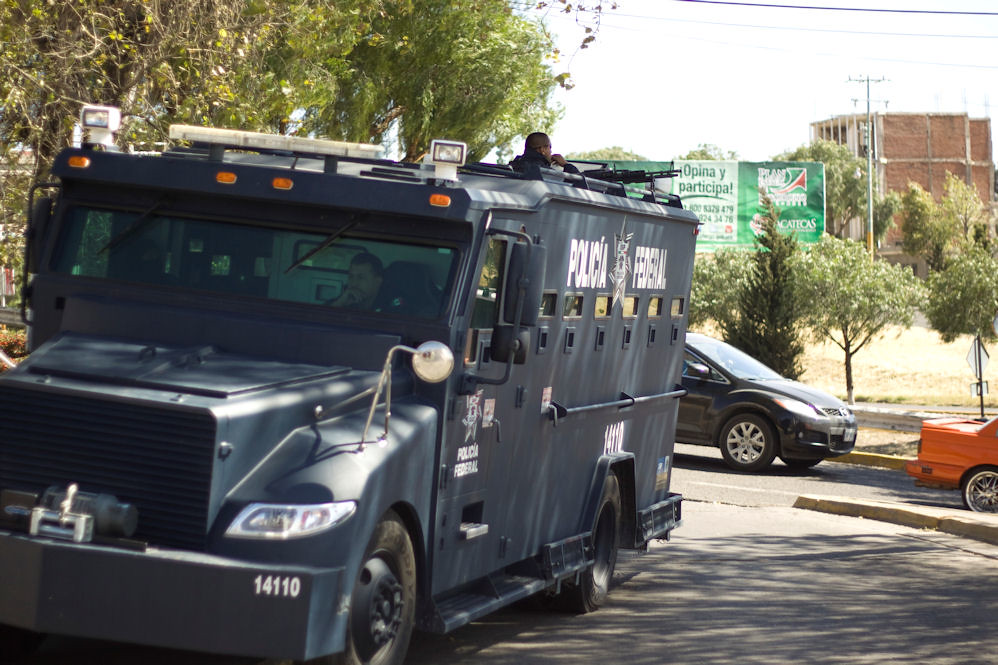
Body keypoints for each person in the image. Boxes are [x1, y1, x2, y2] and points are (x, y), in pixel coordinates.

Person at [510, 132, 579, 174]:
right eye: (550, 147)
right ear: (543, 149)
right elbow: (577, 182)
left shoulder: (513, 166)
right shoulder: (542, 170)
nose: (551, 151)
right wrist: (566, 165)